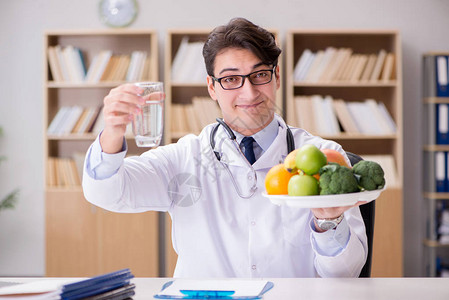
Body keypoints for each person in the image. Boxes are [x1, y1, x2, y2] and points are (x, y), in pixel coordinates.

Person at [83, 17, 367, 278]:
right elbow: (106, 193)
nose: (249, 92)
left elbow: (344, 274)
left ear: (276, 77)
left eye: (260, 75)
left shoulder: (325, 158)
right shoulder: (184, 158)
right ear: (211, 87)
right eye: (231, 79)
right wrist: (113, 131)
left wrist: (328, 222)